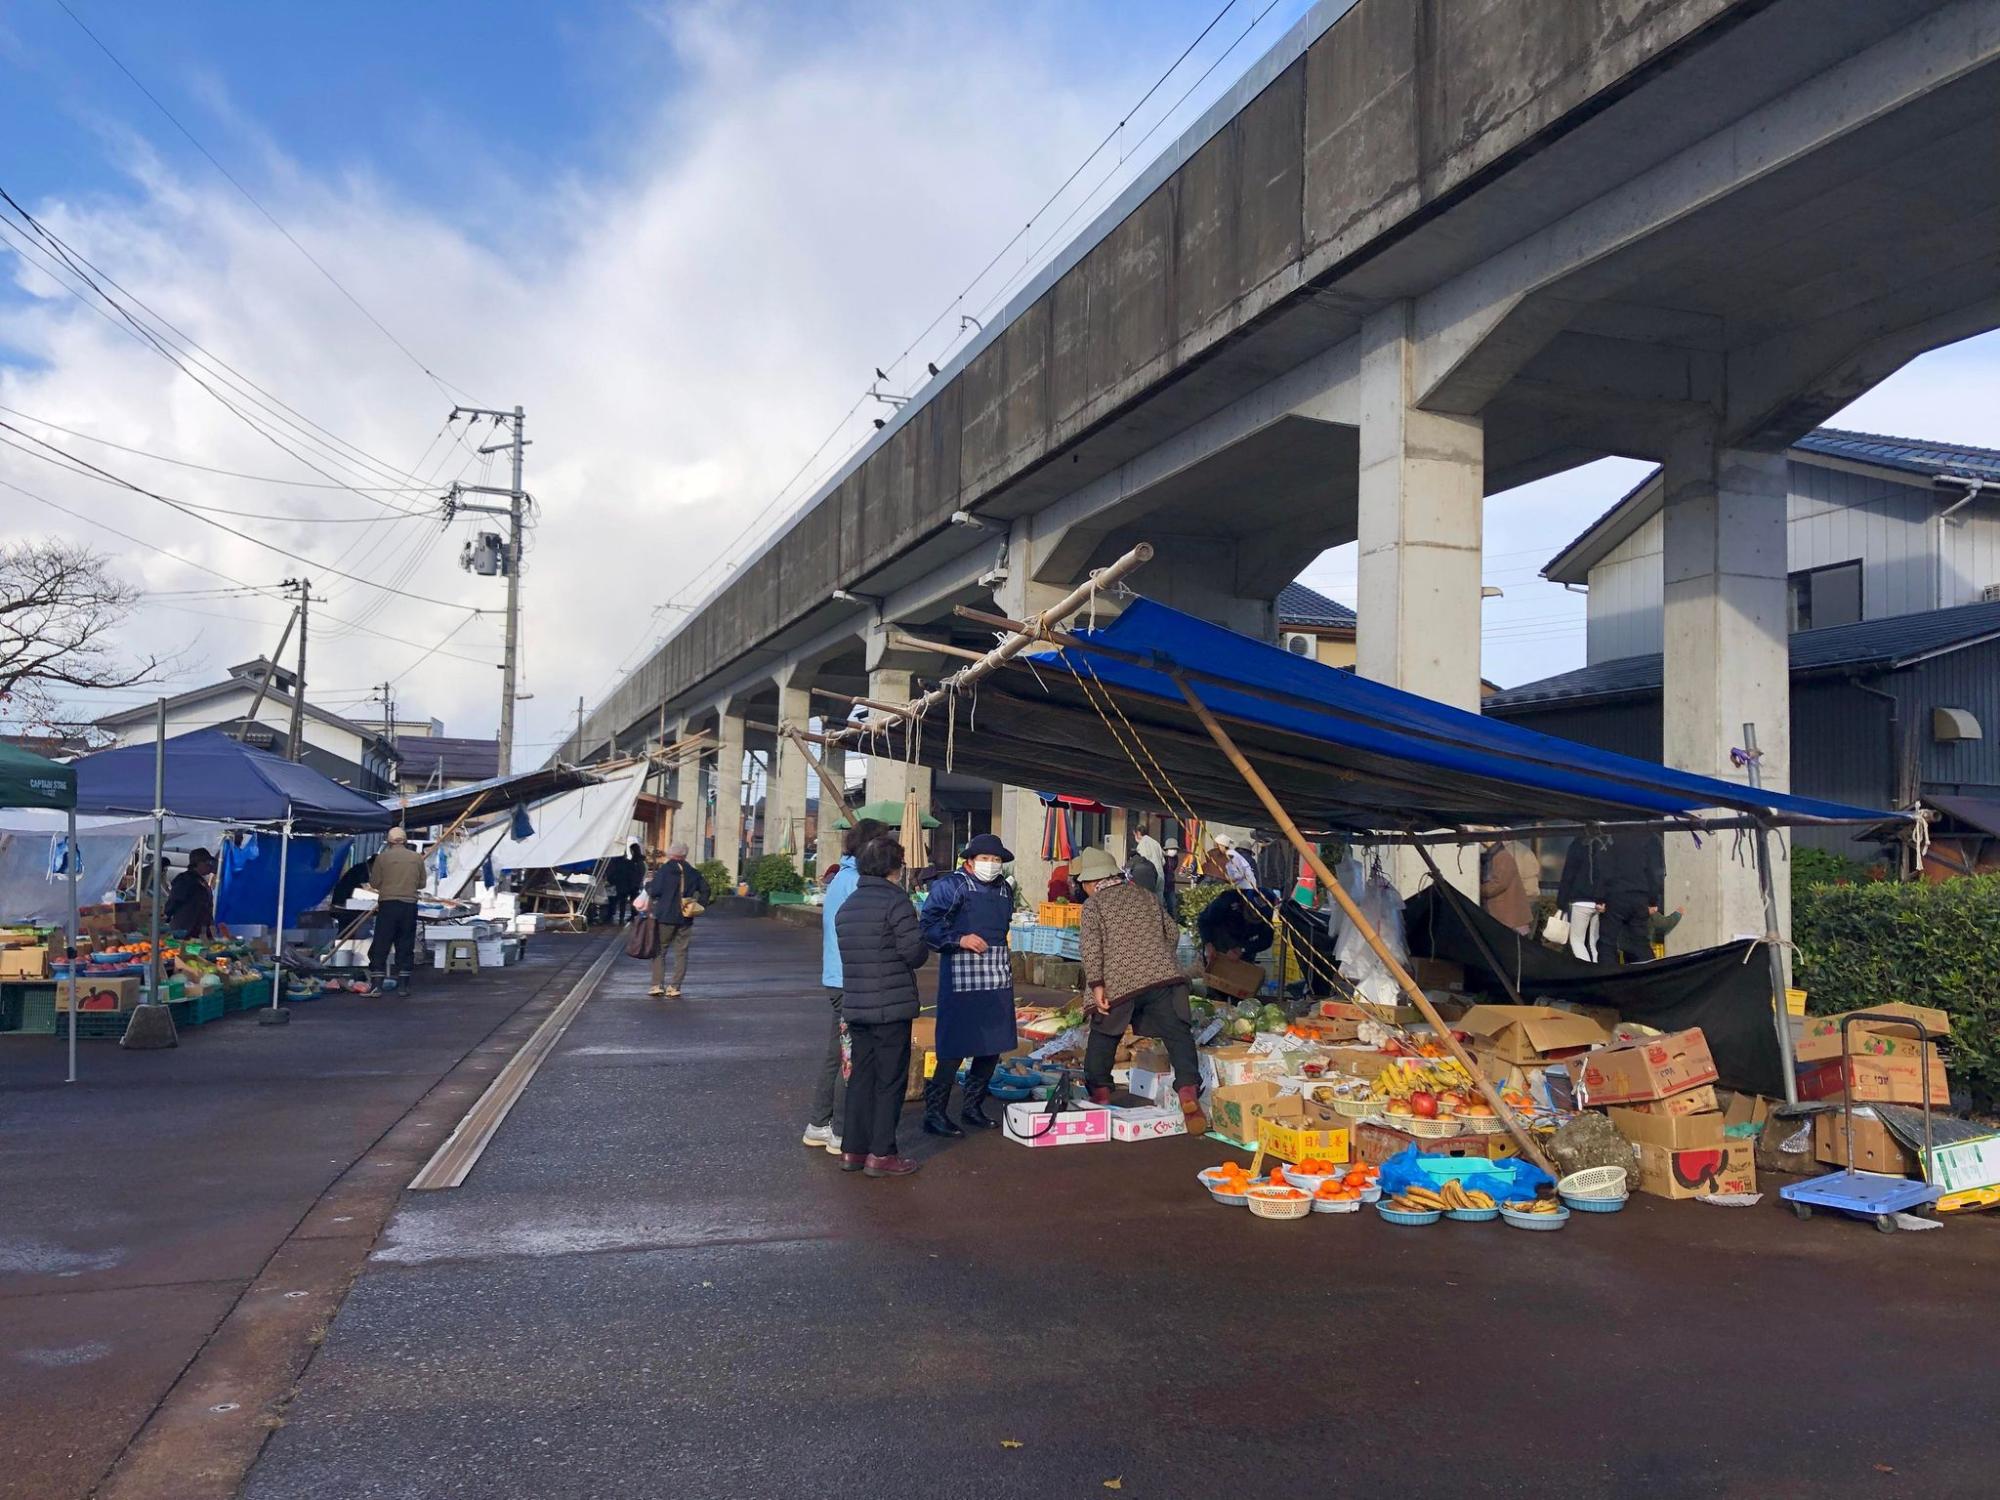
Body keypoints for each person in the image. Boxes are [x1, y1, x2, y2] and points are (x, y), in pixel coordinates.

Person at [1073, 847, 1207, 1134]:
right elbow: (1172, 933)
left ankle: (1100, 1095)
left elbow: (1091, 948)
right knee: (1177, 1033)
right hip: (1163, 978)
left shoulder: (1093, 906)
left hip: (1119, 982)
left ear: (1092, 882)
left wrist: (1096, 984)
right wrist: (1156, 959)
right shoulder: (1145, 895)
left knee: (1104, 1036)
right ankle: (1187, 1090)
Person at [835, 836, 930, 1177]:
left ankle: (853, 1150)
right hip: (891, 1005)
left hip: (857, 1004)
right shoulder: (896, 902)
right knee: (890, 1081)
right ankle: (882, 1152)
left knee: (861, 1079)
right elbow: (913, 952)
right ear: (894, 867)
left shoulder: (849, 906)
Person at [918, 832, 1018, 1138]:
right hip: (961, 973)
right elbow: (928, 926)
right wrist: (958, 939)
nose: (991, 864)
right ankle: (935, 1113)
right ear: (970, 861)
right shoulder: (952, 885)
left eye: (997, 860)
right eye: (985, 859)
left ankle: (972, 1106)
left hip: (996, 973)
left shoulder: (1004, 889)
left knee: (993, 1044)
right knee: (954, 1045)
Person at [803, 818, 886, 1155]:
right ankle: (839, 1129)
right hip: (852, 979)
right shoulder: (856, 882)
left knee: (835, 1054)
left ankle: (818, 1123)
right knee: (852, 1056)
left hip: (838, 977)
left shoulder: (842, 877)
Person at [643, 842, 709, 998]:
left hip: (665, 916)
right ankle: (675, 987)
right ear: (685, 855)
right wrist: (700, 905)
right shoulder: (693, 872)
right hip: (686, 916)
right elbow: (706, 889)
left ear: (670, 854)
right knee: (681, 952)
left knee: (660, 950)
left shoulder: (664, 871)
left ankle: (657, 985)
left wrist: (648, 886)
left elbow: (655, 891)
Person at [364, 827, 425, 994]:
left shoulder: (382, 858)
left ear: (389, 841)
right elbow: (422, 884)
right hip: (409, 905)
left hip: (388, 905)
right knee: (405, 944)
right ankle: (403, 986)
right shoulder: (416, 858)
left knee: (381, 944)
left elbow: (375, 883)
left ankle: (376, 985)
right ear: (405, 841)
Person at [1595, 831, 1665, 965]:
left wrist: (1600, 898)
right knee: (1640, 942)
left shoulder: (1611, 837)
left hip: (1615, 895)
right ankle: (1650, 974)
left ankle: (1608, 977)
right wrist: (1653, 900)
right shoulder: (1650, 838)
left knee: (1607, 942)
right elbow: (1654, 872)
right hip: (1640, 895)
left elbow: (1604, 870)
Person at [1196, 885, 1274, 968]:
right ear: (1245, 902)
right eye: (1251, 912)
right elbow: (1204, 920)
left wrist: (1243, 949)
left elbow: (1266, 941)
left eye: (1257, 916)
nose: (1253, 916)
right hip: (1220, 942)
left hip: (1244, 945)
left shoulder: (1267, 916)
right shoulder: (1228, 899)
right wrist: (1208, 943)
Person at [1555, 834, 1604, 962]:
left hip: (1580, 900)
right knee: (1594, 942)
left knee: (1577, 941)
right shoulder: (1605, 844)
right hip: (1600, 901)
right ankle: (1598, 969)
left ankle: (1588, 971)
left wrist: (1562, 901)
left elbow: (1568, 874)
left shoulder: (1577, 844)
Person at [1479, 839, 1533, 936]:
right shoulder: (1495, 856)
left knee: (1510, 944)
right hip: (1508, 912)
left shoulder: (1501, 856)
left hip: (1509, 915)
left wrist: (1477, 889)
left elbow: (1498, 884)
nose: (1481, 844)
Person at [164, 849, 216, 939]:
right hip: (184, 929)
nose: (209, 866)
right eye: (207, 863)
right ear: (198, 863)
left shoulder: (200, 880)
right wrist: (167, 915)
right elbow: (174, 900)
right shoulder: (185, 879)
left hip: (198, 930)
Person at [604, 842, 644, 927]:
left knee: (613, 901)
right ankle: (621, 918)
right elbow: (632, 874)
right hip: (626, 885)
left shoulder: (614, 862)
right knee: (623, 902)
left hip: (617, 884)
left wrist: (610, 880)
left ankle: (610, 916)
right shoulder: (629, 862)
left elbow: (611, 873)